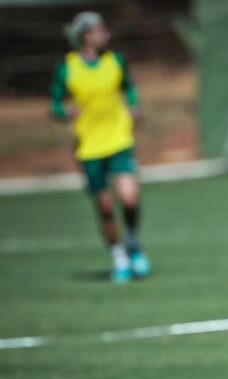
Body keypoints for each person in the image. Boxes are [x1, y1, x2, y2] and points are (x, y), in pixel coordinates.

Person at [50, 11, 150, 282]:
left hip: (119, 140)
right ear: (86, 36)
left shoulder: (115, 61)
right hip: (89, 147)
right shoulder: (68, 67)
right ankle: (119, 258)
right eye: (100, 30)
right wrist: (64, 112)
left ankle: (132, 242)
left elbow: (129, 88)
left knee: (129, 199)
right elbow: (55, 104)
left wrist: (133, 106)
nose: (106, 34)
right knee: (105, 206)